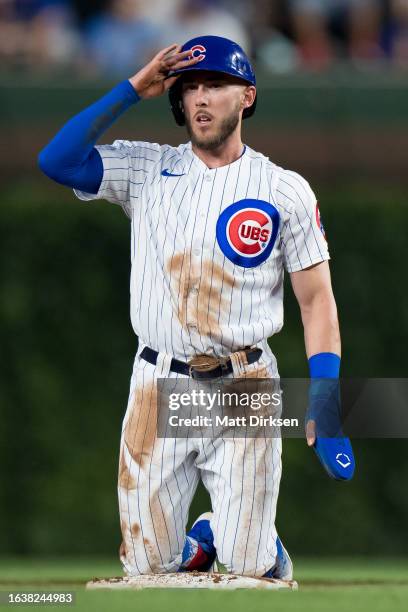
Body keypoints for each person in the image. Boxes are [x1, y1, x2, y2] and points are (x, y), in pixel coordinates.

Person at [38, 35, 354, 579]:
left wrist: (326, 403)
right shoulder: (147, 168)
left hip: (244, 384)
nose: (200, 98)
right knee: (146, 571)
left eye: (215, 85)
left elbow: (316, 298)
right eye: (189, 88)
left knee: (249, 568)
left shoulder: (284, 190)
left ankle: (250, 544)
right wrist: (133, 89)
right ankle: (203, 540)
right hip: (157, 383)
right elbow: (57, 161)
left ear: (247, 97)